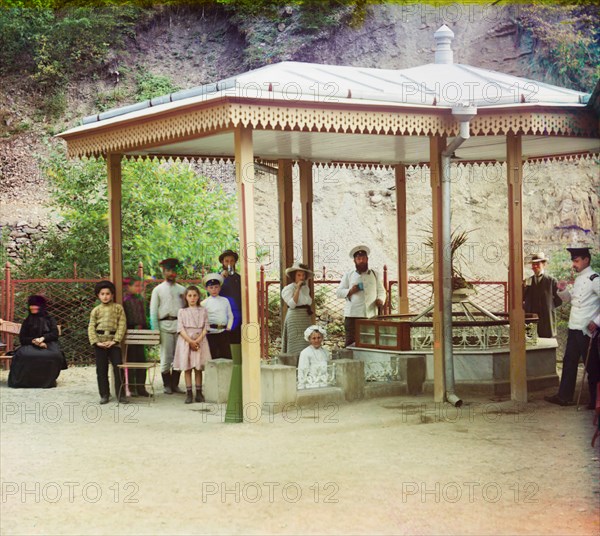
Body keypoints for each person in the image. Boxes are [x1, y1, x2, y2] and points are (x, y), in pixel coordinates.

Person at [545, 247, 600, 407]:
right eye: (573, 261)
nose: (573, 265)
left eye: (576, 261)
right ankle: (564, 396)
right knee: (569, 362)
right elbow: (571, 301)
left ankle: (595, 401)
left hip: (587, 330)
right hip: (574, 326)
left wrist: (596, 322)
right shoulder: (579, 279)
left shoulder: (595, 279)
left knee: (592, 366)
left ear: (586, 260)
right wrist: (562, 290)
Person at [7, 295, 67, 388]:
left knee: (55, 355)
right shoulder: (27, 320)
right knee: (24, 355)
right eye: (31, 305)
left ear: (41, 306)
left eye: (36, 305)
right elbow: (23, 338)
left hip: (48, 343)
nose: (33, 307)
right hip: (30, 344)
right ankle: (24, 382)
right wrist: (34, 341)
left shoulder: (49, 319)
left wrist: (43, 338)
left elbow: (54, 334)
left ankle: (48, 381)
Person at [336, 245, 386, 347]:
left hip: (371, 315)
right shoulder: (348, 275)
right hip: (353, 316)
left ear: (367, 259)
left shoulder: (375, 274)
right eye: (358, 259)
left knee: (371, 342)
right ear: (354, 261)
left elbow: (382, 291)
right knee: (351, 343)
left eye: (363, 258)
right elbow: (339, 292)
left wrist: (380, 299)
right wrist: (351, 291)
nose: (361, 260)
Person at [150, 258, 186, 394]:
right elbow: (153, 311)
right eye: (168, 271)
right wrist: (155, 331)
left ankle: (175, 384)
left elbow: (186, 309)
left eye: (173, 271)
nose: (171, 273)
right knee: (166, 357)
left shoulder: (182, 289)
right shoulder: (157, 290)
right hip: (164, 325)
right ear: (163, 272)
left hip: (179, 326)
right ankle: (167, 385)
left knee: (179, 356)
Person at [88, 280, 127, 404]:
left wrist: (115, 341)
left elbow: (122, 325)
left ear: (112, 295)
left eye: (108, 293)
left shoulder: (118, 308)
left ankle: (121, 394)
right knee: (101, 370)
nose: (105, 296)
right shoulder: (96, 310)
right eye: (102, 294)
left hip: (114, 344)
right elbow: (91, 327)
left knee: (118, 368)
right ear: (98, 295)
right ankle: (104, 394)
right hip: (100, 344)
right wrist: (96, 342)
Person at [173, 285, 211, 404]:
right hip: (186, 341)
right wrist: (190, 341)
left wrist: (197, 340)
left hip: (200, 340)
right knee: (188, 368)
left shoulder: (203, 310)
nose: (192, 298)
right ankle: (189, 393)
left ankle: (199, 393)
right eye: (190, 295)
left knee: (198, 367)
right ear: (186, 297)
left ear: (198, 296)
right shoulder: (182, 311)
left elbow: (206, 327)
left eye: (195, 295)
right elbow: (180, 328)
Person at [523, 252, 562, 338]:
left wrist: (549, 306)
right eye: (533, 264)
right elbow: (522, 297)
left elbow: (559, 299)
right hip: (531, 318)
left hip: (546, 318)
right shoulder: (527, 281)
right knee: (530, 343)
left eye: (537, 264)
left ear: (543, 264)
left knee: (546, 342)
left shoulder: (552, 281)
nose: (535, 266)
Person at [122, 276, 150, 397]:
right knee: (131, 361)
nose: (139, 288)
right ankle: (132, 388)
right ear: (128, 287)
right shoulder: (124, 300)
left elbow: (144, 316)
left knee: (142, 361)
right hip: (130, 333)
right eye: (136, 286)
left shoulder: (140, 299)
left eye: (140, 286)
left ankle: (141, 387)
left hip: (141, 333)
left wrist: (145, 327)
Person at [281, 262, 314, 355]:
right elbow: (292, 304)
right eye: (299, 275)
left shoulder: (306, 288)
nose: (301, 277)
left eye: (303, 275)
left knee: (306, 341)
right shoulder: (288, 289)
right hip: (294, 317)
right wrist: (297, 289)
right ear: (294, 276)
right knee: (294, 343)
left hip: (304, 317)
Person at [201, 273, 233, 359]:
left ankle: (226, 372)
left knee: (226, 356)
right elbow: (202, 319)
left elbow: (230, 316)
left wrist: (228, 328)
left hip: (223, 332)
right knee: (213, 357)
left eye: (216, 287)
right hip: (210, 334)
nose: (214, 290)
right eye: (211, 288)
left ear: (220, 288)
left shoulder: (225, 300)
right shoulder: (204, 303)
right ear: (207, 289)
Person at [219, 250, 242, 347]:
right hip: (222, 315)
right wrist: (221, 278)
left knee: (236, 343)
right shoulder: (217, 278)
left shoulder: (239, 278)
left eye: (232, 261)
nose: (229, 263)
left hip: (236, 316)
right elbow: (211, 294)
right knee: (223, 343)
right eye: (226, 261)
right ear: (222, 262)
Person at [297, 325, 330, 389]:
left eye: (319, 337)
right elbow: (302, 371)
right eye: (314, 338)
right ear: (309, 339)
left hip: (325, 383)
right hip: (311, 385)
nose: (317, 340)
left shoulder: (326, 352)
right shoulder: (305, 353)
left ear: (322, 338)